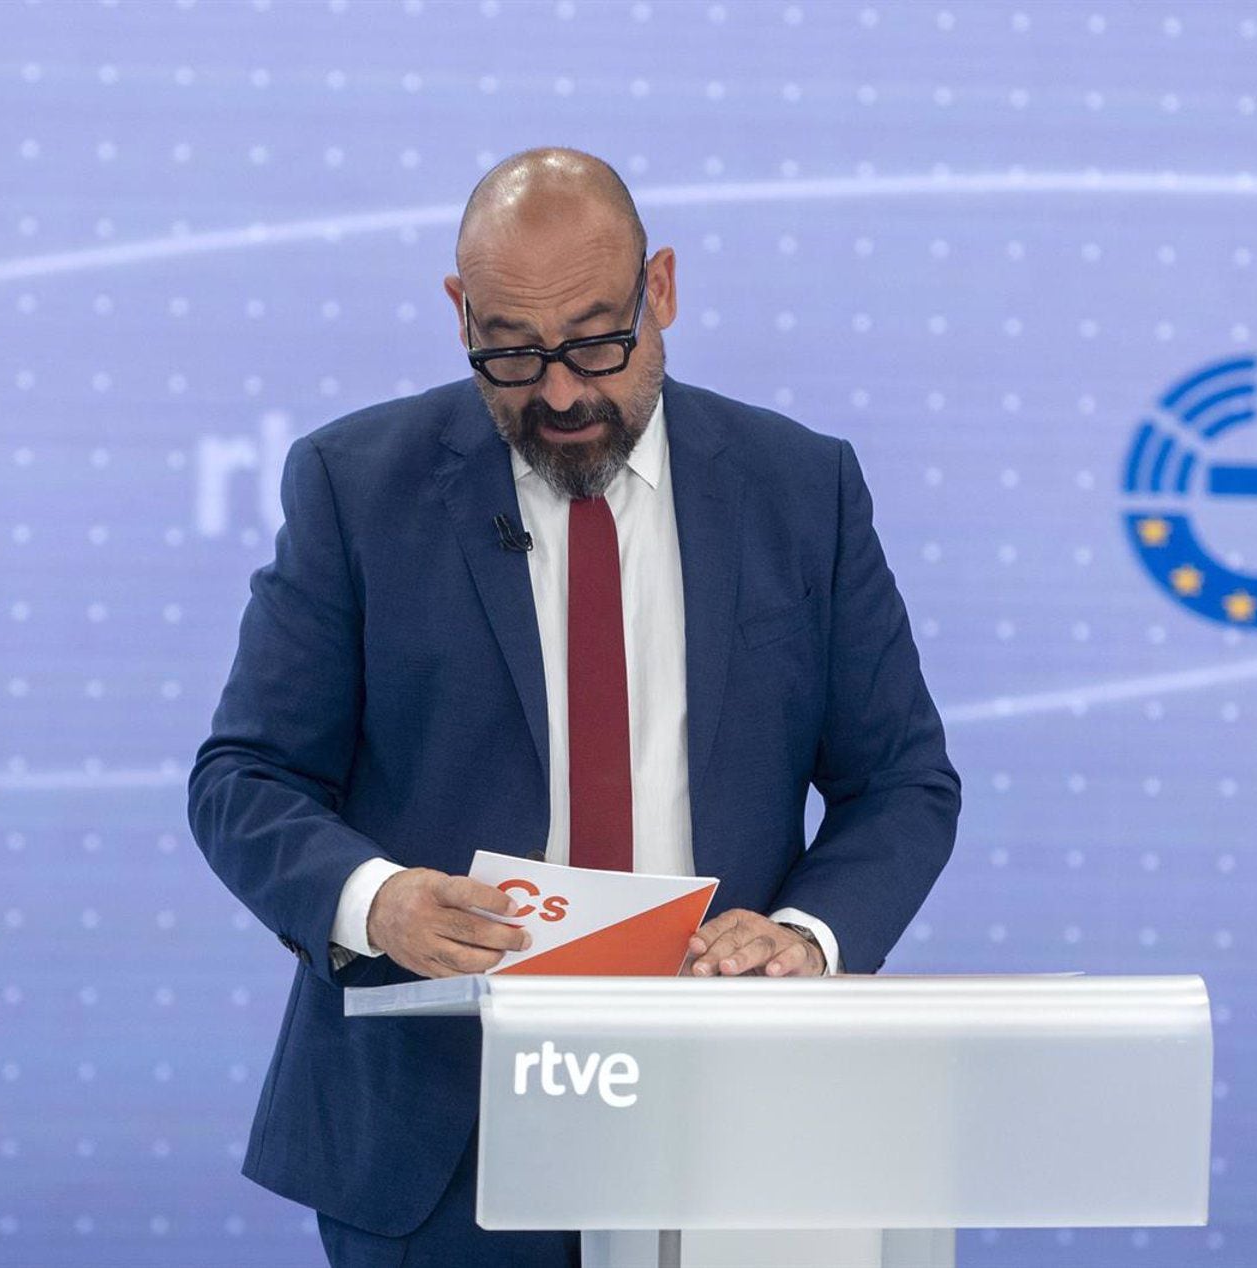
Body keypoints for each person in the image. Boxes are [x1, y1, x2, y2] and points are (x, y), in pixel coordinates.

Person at [188, 146, 960, 1268]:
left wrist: (802, 936)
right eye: (509, 350)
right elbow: (243, 780)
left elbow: (901, 783)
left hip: (730, 1114)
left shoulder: (802, 489)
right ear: (458, 312)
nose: (559, 391)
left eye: (598, 340)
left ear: (664, 291)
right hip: (439, 1147)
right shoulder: (356, 488)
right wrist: (378, 901)